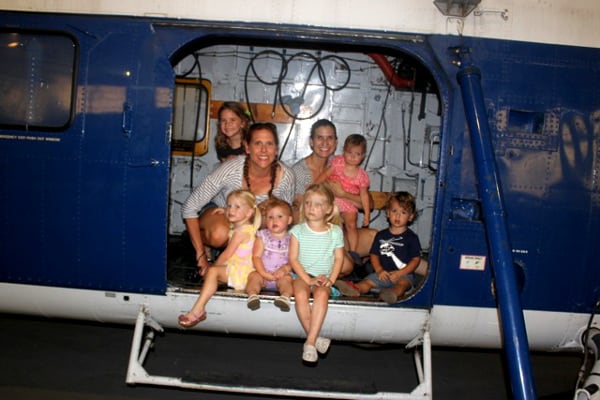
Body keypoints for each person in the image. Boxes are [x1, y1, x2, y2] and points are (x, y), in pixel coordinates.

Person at [181, 122, 296, 275]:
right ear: (247, 147)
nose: (263, 150)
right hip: (222, 215)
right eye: (257, 143)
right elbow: (189, 207)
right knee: (218, 233)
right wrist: (200, 255)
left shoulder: (286, 176)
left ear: (276, 149)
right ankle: (203, 244)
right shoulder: (230, 169)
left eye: (269, 144)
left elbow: (287, 217)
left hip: (255, 223)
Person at [291, 119, 375, 276]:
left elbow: (368, 204)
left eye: (329, 138)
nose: (325, 142)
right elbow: (301, 212)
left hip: (340, 229)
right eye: (319, 137)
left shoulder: (343, 163)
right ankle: (337, 276)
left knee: (375, 237)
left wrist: (343, 194)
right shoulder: (299, 171)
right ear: (311, 141)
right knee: (345, 264)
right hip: (312, 235)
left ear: (336, 143)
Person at [178, 190, 261, 327]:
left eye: (237, 207)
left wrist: (213, 266)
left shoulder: (241, 232)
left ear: (249, 213)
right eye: (229, 206)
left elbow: (227, 254)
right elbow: (235, 217)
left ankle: (197, 310)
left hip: (242, 273)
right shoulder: (246, 227)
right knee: (213, 273)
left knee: (212, 272)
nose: (231, 210)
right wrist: (225, 211)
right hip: (241, 269)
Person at [289, 183, 344, 363]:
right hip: (301, 275)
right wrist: (307, 279)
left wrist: (331, 279)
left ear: (328, 209)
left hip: (323, 278)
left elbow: (338, 259)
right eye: (308, 203)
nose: (311, 208)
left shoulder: (335, 232)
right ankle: (313, 340)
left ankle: (310, 341)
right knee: (300, 292)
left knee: (321, 295)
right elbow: (293, 260)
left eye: (318, 204)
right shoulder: (297, 231)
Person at [335, 192, 422, 304]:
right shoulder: (381, 235)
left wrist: (400, 273)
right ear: (388, 213)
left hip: (403, 275)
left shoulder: (412, 238)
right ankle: (354, 289)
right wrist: (379, 270)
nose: (398, 216)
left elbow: (415, 260)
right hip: (383, 274)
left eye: (403, 212)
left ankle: (391, 294)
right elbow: (374, 255)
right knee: (367, 282)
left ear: (411, 217)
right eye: (394, 211)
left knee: (402, 285)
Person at [315, 134, 370, 264]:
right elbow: (325, 175)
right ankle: (328, 251)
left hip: (349, 202)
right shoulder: (338, 163)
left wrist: (367, 214)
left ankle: (353, 252)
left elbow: (364, 196)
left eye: (357, 154)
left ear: (362, 156)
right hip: (332, 198)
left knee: (351, 224)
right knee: (332, 224)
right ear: (343, 151)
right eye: (349, 152)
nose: (352, 156)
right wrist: (315, 186)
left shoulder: (362, 176)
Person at [245, 197, 294, 312]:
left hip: (281, 275)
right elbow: (256, 257)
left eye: (280, 217)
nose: (274, 220)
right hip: (263, 273)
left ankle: (285, 297)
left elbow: (293, 260)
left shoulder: (292, 239)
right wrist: (263, 273)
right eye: (270, 217)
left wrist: (284, 269)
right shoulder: (263, 236)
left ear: (289, 220)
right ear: (265, 220)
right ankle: (252, 296)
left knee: (287, 280)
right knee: (253, 277)